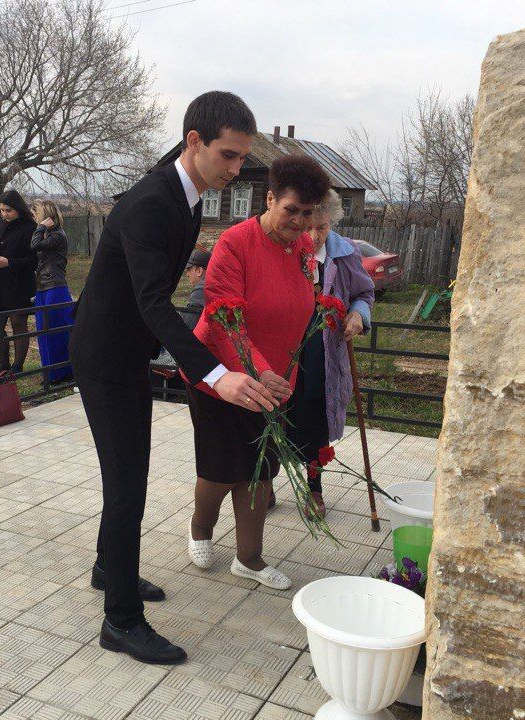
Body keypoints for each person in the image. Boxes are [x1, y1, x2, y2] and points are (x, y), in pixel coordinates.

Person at [70, 90, 276, 665]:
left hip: (128, 354)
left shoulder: (187, 198)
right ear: (194, 142)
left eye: (243, 158)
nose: (237, 169)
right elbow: (154, 303)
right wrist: (215, 375)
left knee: (128, 473)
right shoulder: (152, 203)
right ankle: (120, 620)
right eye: (229, 156)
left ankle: (109, 570)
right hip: (105, 358)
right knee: (128, 482)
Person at [185, 153, 332, 591]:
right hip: (222, 379)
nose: (301, 223)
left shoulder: (303, 247)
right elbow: (225, 321)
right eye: (291, 211)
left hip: (274, 382)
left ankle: (248, 558)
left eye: (309, 214)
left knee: (260, 469)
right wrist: (259, 370)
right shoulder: (234, 244)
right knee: (221, 469)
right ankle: (200, 527)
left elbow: (297, 307)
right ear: (269, 199)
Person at [281, 189, 375, 518]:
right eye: (308, 226)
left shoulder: (344, 254)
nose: (314, 235)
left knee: (315, 422)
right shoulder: (283, 249)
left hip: (322, 355)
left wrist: (357, 315)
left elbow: (364, 292)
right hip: (281, 352)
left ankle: (313, 491)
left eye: (322, 227)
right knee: (276, 415)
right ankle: (264, 483)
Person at [0, 189, 37, 375]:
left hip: (19, 285)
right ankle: (3, 365)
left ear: (18, 209)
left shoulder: (30, 228)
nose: (4, 214)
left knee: (18, 324)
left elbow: (34, 260)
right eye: (2, 210)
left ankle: (17, 367)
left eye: (8, 210)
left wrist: (10, 263)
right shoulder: (0, 226)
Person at [30, 200, 73, 383]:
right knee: (44, 332)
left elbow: (35, 245)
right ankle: (50, 372)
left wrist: (40, 227)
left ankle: (61, 373)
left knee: (56, 332)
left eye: (36, 215)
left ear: (46, 216)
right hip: (43, 288)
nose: (34, 219)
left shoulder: (57, 236)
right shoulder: (48, 234)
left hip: (55, 288)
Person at [182, 248, 210, 329]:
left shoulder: (201, 290)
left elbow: (187, 326)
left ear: (199, 271)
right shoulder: (220, 283)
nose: (187, 274)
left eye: (189, 269)